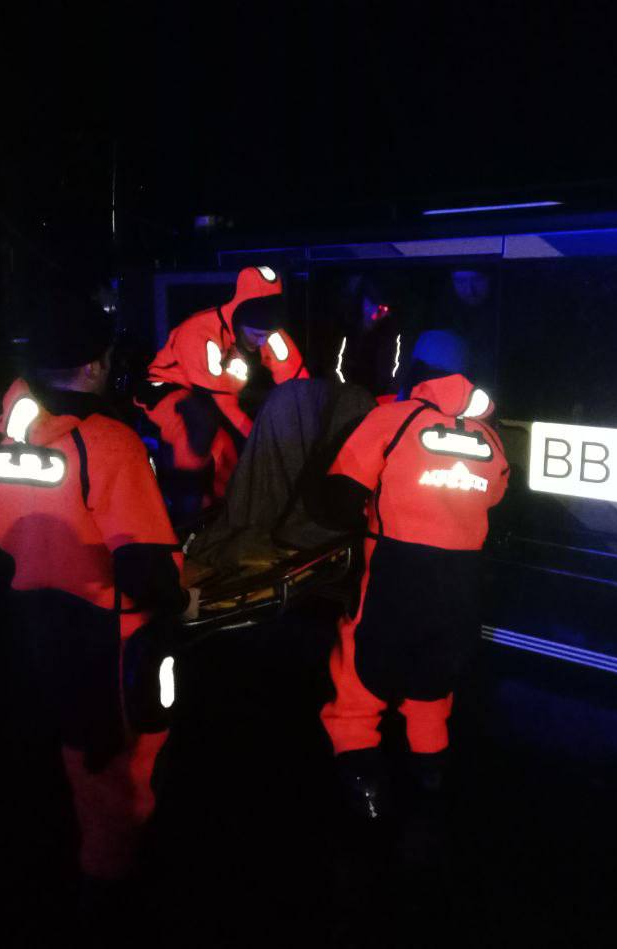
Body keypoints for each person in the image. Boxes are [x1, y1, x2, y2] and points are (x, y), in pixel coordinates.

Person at [0, 295, 196, 890]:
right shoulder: (109, 442)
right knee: (118, 759)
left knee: (59, 741)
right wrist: (178, 600)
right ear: (94, 365)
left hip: (33, 622)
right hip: (109, 632)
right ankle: (114, 878)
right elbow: (145, 565)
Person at [316, 330, 509, 817]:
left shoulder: (392, 418)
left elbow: (340, 495)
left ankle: (361, 775)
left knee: (364, 664)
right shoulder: (488, 436)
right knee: (435, 672)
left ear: (415, 370)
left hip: (395, 568)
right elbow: (498, 496)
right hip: (462, 579)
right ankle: (430, 767)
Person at [136, 266, 307, 512]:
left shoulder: (267, 332)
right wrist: (261, 440)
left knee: (227, 450)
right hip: (166, 389)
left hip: (217, 393)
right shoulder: (200, 332)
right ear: (240, 319)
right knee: (198, 427)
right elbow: (221, 402)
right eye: (257, 334)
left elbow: (298, 381)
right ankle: (187, 506)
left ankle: (224, 508)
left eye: (267, 335)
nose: (263, 341)